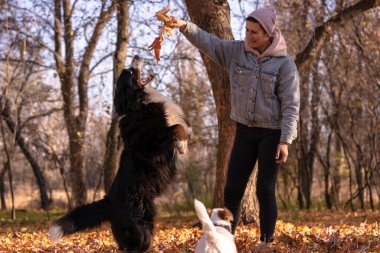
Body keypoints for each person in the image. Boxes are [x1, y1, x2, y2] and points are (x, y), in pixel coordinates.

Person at [171, 5, 300, 243]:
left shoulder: (284, 65)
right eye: (247, 30)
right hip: (244, 132)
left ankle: (266, 242)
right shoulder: (236, 52)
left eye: (254, 32)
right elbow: (209, 43)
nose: (248, 36)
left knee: (264, 189)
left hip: (271, 133)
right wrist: (184, 27)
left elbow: (291, 105)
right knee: (232, 190)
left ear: (269, 34)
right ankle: (226, 240)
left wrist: (285, 140)